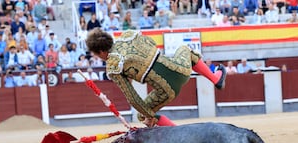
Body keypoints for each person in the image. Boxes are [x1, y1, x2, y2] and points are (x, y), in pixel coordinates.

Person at [85, 29, 226, 127]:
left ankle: (175, 132)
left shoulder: (113, 66)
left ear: (102, 52)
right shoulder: (128, 36)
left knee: (143, 114)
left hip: (167, 91)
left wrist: (149, 116)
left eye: (97, 55)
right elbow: (151, 44)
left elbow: (132, 98)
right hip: (181, 69)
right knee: (186, 49)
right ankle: (215, 79)